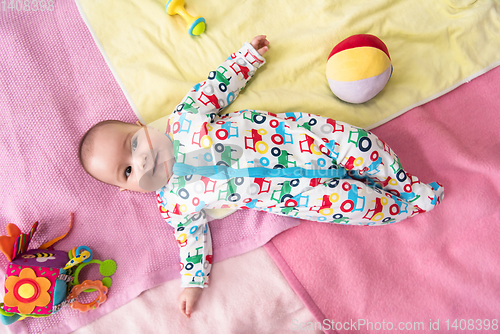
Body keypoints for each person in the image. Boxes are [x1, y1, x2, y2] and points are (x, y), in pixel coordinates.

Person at [78, 35, 444, 318]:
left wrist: (246, 59)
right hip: (299, 193)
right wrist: (193, 283)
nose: (141, 162)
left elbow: (217, 85)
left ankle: (406, 185)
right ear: (128, 189)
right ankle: (402, 207)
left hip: (304, 140)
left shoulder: (185, 118)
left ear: (141, 127)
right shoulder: (175, 203)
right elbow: (191, 242)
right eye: (127, 171)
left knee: (363, 144)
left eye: (132, 144)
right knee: (358, 204)